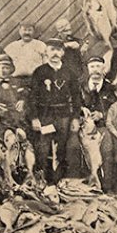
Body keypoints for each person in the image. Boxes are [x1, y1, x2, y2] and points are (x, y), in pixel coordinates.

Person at [28, 38, 81, 184]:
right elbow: (32, 96)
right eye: (52, 49)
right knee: (43, 148)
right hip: (45, 115)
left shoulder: (70, 72)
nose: (55, 53)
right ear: (46, 52)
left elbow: (77, 97)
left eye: (58, 50)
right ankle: (43, 181)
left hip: (64, 115)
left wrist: (76, 117)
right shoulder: (40, 72)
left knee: (62, 148)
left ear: (63, 52)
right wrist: (34, 118)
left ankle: (59, 181)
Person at [79, 56, 116, 193]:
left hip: (103, 126)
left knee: (107, 149)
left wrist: (102, 115)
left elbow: (116, 108)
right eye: (92, 67)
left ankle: (107, 186)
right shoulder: (80, 87)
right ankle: (86, 184)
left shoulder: (110, 88)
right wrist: (81, 111)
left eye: (98, 66)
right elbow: (73, 105)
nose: (95, 70)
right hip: (84, 128)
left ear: (103, 69)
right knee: (75, 148)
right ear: (88, 69)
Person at [0, 54, 29, 136]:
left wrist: (23, 100)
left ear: (11, 70)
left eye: (7, 68)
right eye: (1, 67)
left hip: (16, 119)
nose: (3, 70)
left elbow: (25, 93)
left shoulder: (16, 82)